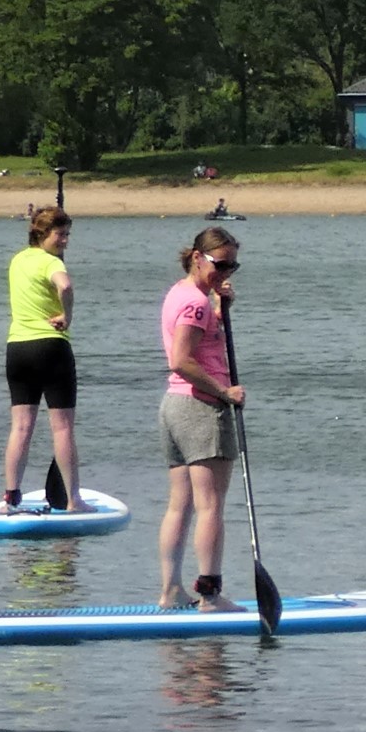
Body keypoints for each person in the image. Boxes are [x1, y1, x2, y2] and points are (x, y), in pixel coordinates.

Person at [154, 228, 244, 611]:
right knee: (211, 506)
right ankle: (210, 594)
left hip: (174, 407)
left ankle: (171, 590)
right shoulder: (195, 303)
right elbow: (181, 360)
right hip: (201, 409)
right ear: (197, 257)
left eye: (232, 266)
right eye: (219, 265)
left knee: (181, 505)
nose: (225, 273)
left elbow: (201, 340)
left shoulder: (183, 293)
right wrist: (225, 392)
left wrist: (221, 310)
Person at [1, 205, 82, 514]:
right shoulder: (50, 262)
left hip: (17, 349)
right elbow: (66, 285)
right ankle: (73, 501)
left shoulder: (17, 260)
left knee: (21, 427)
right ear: (42, 234)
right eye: (60, 235)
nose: (65, 241)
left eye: (67, 235)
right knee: (62, 428)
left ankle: (11, 499)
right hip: (51, 346)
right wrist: (67, 316)